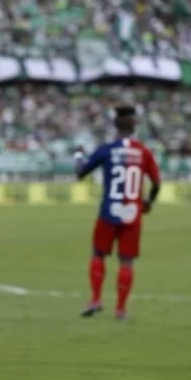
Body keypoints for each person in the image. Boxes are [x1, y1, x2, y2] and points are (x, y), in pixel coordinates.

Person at [74, 106, 161, 320]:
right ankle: (121, 309)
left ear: (115, 125)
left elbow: (81, 173)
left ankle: (95, 299)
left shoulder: (106, 149)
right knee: (126, 261)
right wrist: (149, 201)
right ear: (134, 126)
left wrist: (78, 155)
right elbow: (157, 182)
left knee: (98, 254)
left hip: (109, 210)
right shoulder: (143, 151)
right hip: (133, 212)